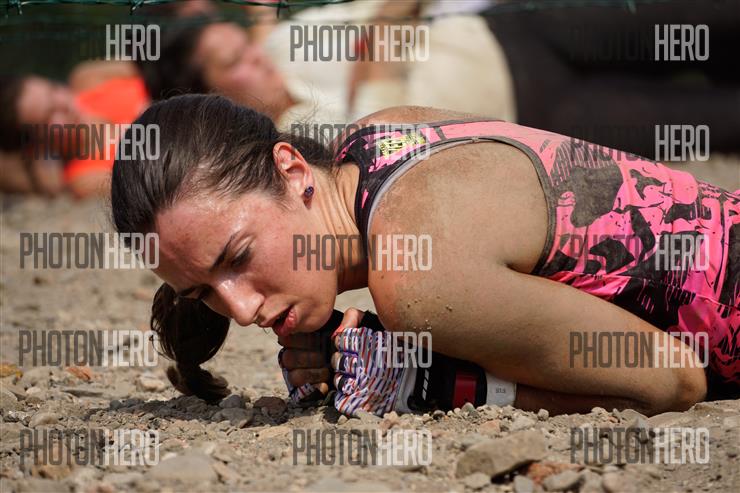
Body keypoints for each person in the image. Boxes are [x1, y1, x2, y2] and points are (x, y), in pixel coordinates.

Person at [110, 95, 738, 418]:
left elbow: (672, 381)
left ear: (292, 169)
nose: (243, 310)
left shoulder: (416, 280)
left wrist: (432, 383)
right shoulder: (378, 138)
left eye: (238, 256)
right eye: (205, 292)